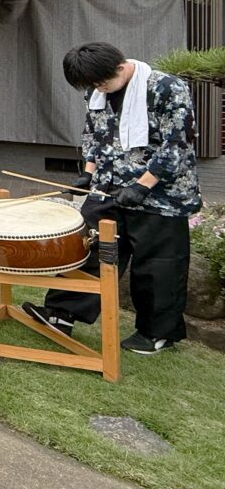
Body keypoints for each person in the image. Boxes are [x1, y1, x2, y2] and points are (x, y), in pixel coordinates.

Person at [23, 42, 200, 355]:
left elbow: (177, 145)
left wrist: (142, 186)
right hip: (108, 188)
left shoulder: (167, 88)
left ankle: (156, 333)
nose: (97, 88)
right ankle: (61, 313)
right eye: (91, 85)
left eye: (101, 82)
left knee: (157, 266)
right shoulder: (97, 91)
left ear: (120, 67)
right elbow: (94, 135)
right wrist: (88, 173)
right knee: (86, 248)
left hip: (162, 196)